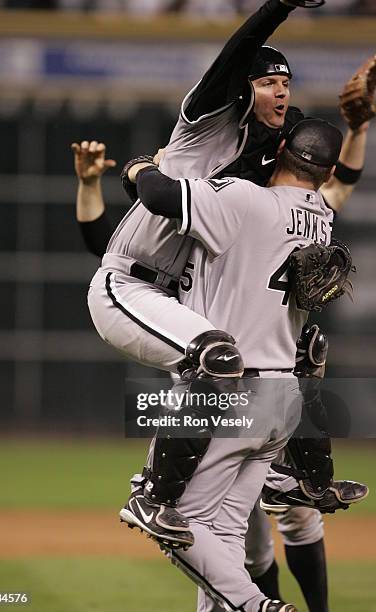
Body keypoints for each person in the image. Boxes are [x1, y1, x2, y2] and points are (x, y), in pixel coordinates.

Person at [117, 117, 343, 612]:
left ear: (281, 147)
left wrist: (138, 168)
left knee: (181, 522)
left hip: (235, 395)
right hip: (284, 402)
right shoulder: (323, 216)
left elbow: (160, 195)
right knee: (224, 531)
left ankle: (258, 606)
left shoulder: (244, 198)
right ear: (326, 174)